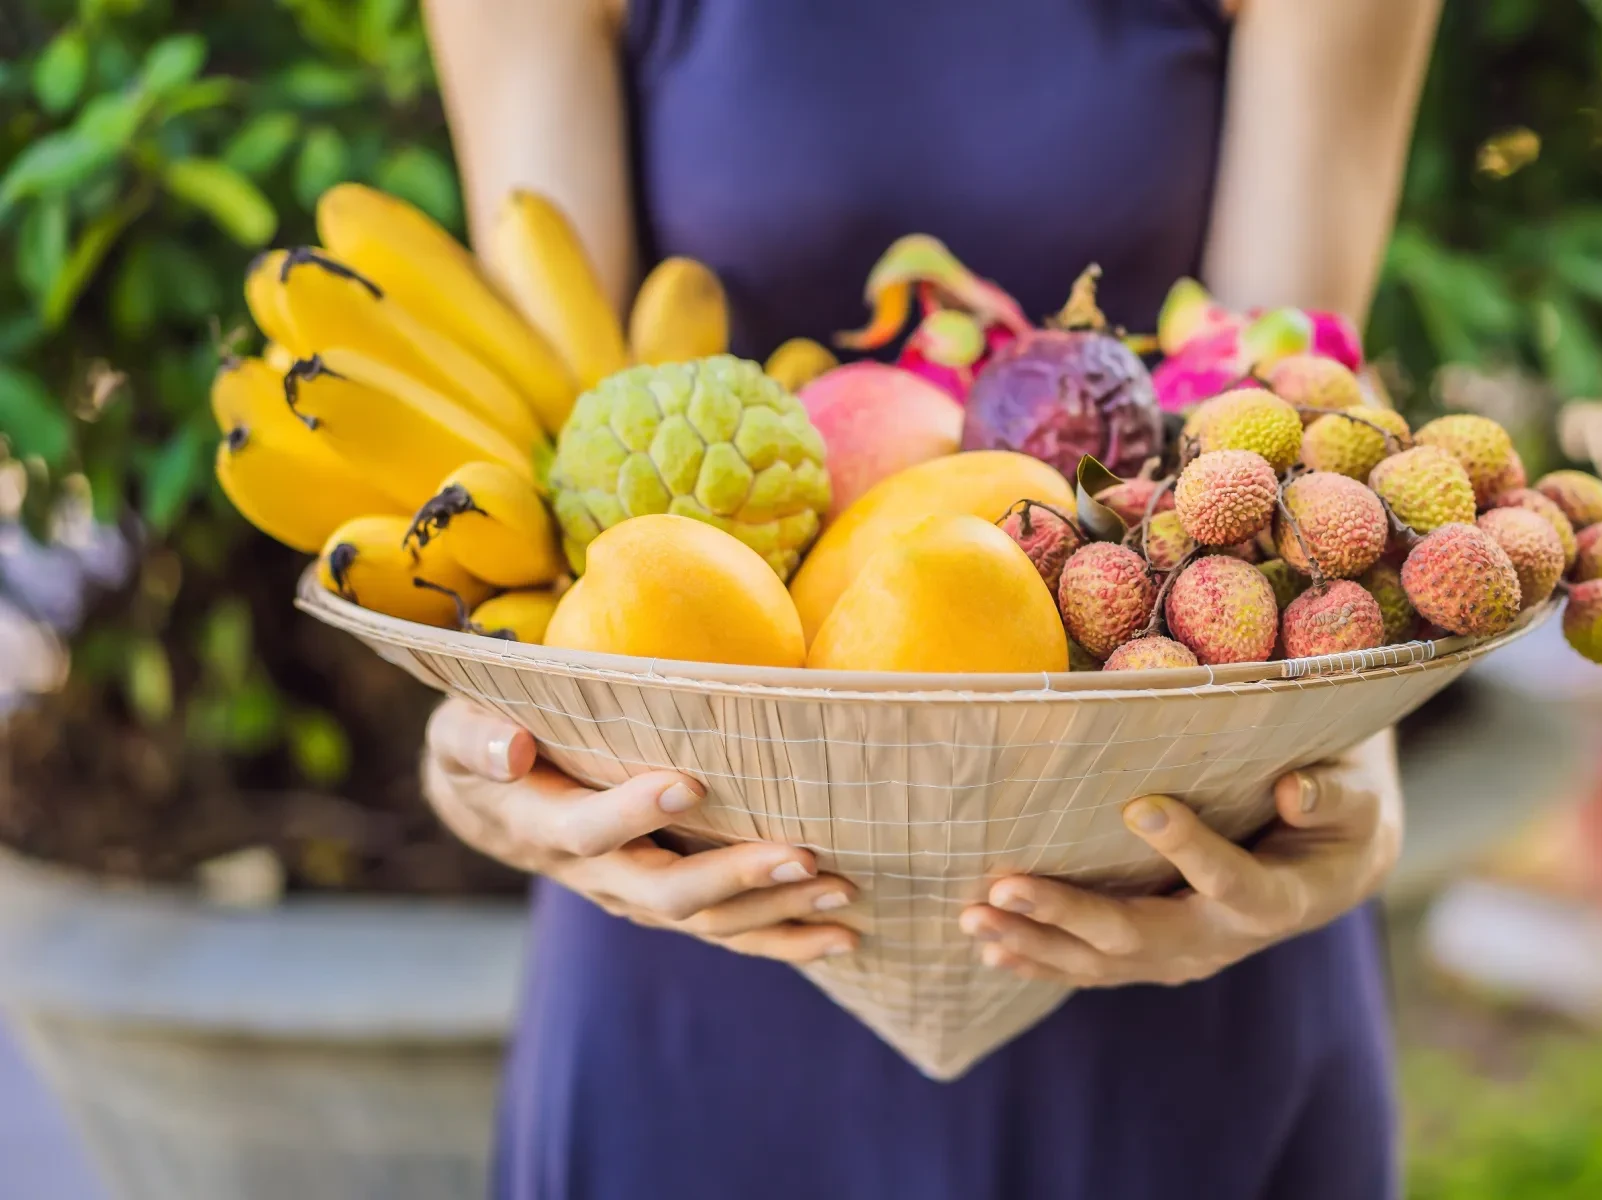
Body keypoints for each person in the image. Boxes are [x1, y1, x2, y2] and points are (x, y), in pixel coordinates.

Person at [420, 1, 1442, 1196]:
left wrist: (1348, 778)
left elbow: (1294, 409)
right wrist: (487, 758)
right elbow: (535, 422)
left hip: (1166, 880)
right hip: (711, 906)